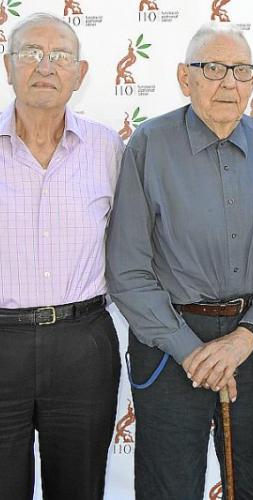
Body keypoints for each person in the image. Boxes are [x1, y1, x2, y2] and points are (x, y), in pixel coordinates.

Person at [106, 23, 253, 499]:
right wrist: (190, 352)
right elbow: (127, 270)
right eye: (213, 68)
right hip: (169, 342)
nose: (229, 82)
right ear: (184, 77)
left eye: (241, 70)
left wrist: (244, 337)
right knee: (168, 488)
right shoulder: (149, 145)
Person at [0, 13, 123, 500]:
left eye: (60, 56)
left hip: (82, 345)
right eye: (31, 53)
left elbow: (132, 244)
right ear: (8, 66)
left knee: (79, 487)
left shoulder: (107, 147)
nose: (45, 66)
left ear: (80, 72)